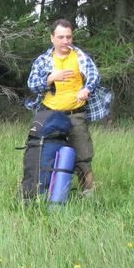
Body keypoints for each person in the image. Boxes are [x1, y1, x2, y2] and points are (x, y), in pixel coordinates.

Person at [25, 19, 111, 196]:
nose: (65, 41)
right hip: (49, 115)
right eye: (61, 37)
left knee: (83, 155)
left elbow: (94, 76)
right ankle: (43, 192)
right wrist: (51, 78)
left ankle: (88, 192)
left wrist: (86, 89)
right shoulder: (43, 60)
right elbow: (32, 85)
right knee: (44, 152)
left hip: (75, 114)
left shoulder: (80, 57)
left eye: (69, 37)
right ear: (52, 38)